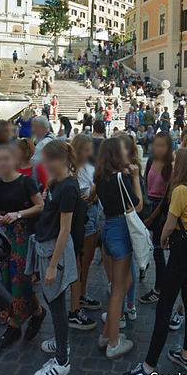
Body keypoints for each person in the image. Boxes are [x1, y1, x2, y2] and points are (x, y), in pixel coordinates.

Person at [121, 147, 187, 375]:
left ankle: (149, 368)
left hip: (180, 251)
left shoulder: (180, 189)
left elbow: (170, 224)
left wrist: (161, 240)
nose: (172, 163)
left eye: (175, 160)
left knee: (164, 306)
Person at [28, 141, 84, 375]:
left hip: (54, 252)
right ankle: (62, 343)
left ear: (60, 159)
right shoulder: (57, 184)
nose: (44, 164)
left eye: (48, 160)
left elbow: (65, 230)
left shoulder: (67, 188)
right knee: (54, 303)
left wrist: (52, 264)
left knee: (58, 306)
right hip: (48, 248)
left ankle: (62, 360)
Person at [0, 144, 48, 347]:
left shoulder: (26, 182)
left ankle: (19, 323)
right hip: (3, 237)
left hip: (22, 237)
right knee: (6, 280)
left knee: (20, 280)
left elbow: (40, 206)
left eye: (6, 159)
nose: (2, 163)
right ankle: (29, 317)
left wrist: (18, 214)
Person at [95, 137, 141, 360]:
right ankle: (113, 343)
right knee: (117, 290)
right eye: (122, 149)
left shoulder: (101, 178)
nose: (125, 151)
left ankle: (106, 334)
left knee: (125, 283)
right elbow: (138, 205)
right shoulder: (122, 178)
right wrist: (135, 178)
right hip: (121, 231)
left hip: (109, 229)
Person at [68, 134, 102, 328]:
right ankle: (74, 308)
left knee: (86, 262)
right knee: (81, 262)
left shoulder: (86, 166)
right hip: (85, 217)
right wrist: (96, 189)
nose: (91, 153)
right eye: (88, 149)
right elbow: (83, 196)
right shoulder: (75, 170)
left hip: (93, 213)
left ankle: (81, 296)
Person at [139, 132, 173, 304]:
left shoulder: (171, 167)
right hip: (148, 205)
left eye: (162, 145)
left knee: (159, 251)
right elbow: (145, 183)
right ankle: (142, 268)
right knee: (143, 244)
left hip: (160, 211)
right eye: (156, 145)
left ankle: (159, 289)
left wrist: (152, 217)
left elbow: (167, 197)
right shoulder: (151, 161)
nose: (158, 148)